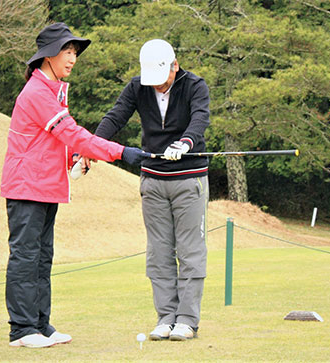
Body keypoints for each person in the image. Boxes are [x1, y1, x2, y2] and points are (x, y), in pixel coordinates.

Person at [0, 22, 147, 349]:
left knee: (42, 257)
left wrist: (75, 158)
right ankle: (22, 330)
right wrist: (120, 151)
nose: (72, 58)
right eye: (67, 51)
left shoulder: (54, 91)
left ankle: (40, 324)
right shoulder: (38, 92)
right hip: (26, 187)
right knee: (26, 257)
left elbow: (58, 142)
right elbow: (71, 133)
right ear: (48, 55)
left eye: (74, 52)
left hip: (44, 186)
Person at [94, 39, 210, 341]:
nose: (157, 86)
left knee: (189, 250)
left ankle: (186, 320)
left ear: (175, 65)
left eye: (163, 80)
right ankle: (165, 318)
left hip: (189, 177)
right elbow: (115, 117)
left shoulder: (195, 85)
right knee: (158, 252)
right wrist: (92, 147)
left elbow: (200, 119)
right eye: (152, 81)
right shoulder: (138, 86)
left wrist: (185, 143)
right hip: (153, 179)